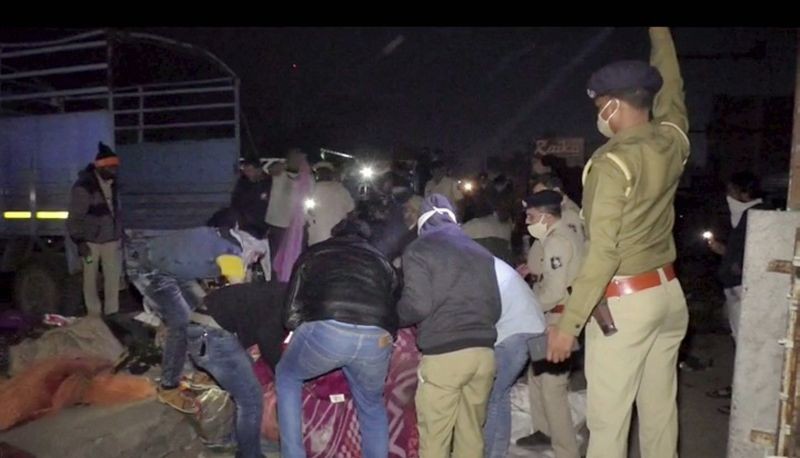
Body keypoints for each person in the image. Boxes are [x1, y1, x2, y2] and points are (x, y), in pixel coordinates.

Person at [547, 27, 690, 458]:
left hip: (626, 304)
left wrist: (568, 324)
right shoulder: (672, 139)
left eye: (599, 107)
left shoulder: (612, 163)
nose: (599, 115)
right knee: (660, 414)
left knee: (608, 424)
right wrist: (660, 34)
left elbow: (603, 251)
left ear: (613, 104)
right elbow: (673, 86)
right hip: (668, 296)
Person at [276, 218, 400, 458]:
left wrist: (303, 331)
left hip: (328, 329)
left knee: (287, 376)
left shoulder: (315, 253)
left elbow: (290, 312)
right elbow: (394, 301)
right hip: (377, 338)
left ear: (334, 234)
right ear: (365, 238)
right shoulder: (382, 260)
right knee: (372, 405)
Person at [397, 194, 501, 458]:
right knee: (471, 434)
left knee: (435, 437)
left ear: (422, 223)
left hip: (445, 355)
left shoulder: (419, 250)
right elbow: (496, 308)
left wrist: (393, 318)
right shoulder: (482, 253)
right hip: (484, 354)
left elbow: (417, 305)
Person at [517, 191, 583, 458]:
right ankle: (544, 432)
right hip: (549, 317)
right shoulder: (557, 234)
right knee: (537, 376)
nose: (528, 222)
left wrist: (525, 305)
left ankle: (566, 450)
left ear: (545, 215)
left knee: (553, 387)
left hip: (557, 318)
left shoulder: (557, 241)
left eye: (531, 217)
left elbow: (553, 291)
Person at [705, 171, 769, 412]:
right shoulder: (743, 218)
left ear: (745, 193)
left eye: (732, 192)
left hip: (748, 291)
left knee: (748, 346)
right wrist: (722, 250)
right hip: (736, 289)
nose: (727, 196)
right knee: (740, 344)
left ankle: (746, 401)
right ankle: (739, 391)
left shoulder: (759, 216)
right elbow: (738, 255)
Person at [483, 257, 546, 458]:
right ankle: (498, 451)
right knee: (500, 394)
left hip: (517, 331)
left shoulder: (472, 267)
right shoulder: (487, 262)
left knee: (493, 394)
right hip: (533, 326)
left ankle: (490, 452)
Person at [66, 142, 122, 316]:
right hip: (90, 243)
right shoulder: (84, 186)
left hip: (111, 241)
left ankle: (112, 314)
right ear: (101, 167)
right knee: (89, 279)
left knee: (113, 278)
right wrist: (80, 241)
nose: (115, 170)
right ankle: (93, 314)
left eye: (115, 167)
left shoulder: (113, 183)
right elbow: (75, 217)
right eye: (112, 167)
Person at [305, 162, 355, 246]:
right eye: (321, 172)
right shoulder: (311, 190)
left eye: (325, 172)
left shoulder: (340, 189)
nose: (323, 174)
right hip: (319, 236)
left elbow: (351, 212)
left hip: (334, 236)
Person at [231, 158, 271, 239]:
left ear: (259, 170)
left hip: (266, 226)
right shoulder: (243, 183)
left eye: (249, 170)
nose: (247, 173)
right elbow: (235, 203)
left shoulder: (270, 183)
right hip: (247, 227)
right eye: (245, 170)